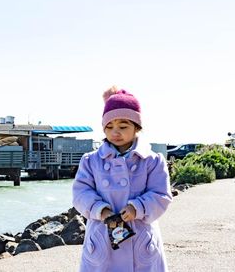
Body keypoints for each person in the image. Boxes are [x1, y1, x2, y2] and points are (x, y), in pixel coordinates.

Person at [72, 86, 172, 272]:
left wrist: (138, 207)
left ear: (137, 127)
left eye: (123, 126)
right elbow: (80, 193)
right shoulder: (91, 161)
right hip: (102, 238)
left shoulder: (152, 160)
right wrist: (101, 210)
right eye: (109, 127)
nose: (115, 132)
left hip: (140, 239)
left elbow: (161, 194)